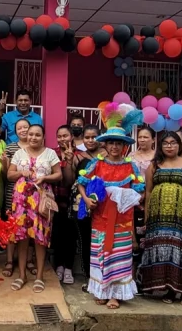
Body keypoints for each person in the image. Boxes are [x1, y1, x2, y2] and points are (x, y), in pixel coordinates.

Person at [76, 120, 144, 310]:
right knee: (100, 255)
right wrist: (87, 200)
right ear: (105, 144)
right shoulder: (96, 164)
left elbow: (140, 189)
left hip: (123, 220)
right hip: (100, 218)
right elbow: (81, 182)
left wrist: (130, 198)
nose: (115, 146)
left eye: (119, 143)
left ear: (124, 146)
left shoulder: (131, 167)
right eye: (111, 142)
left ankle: (115, 294)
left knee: (119, 256)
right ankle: (101, 291)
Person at [138, 130, 182, 306]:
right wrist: (147, 215)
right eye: (165, 143)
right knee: (164, 251)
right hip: (159, 218)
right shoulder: (155, 165)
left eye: (173, 142)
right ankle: (170, 289)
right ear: (160, 145)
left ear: (179, 145)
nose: (169, 146)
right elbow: (149, 191)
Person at [7, 124, 62, 293]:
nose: (33, 137)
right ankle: (22, 275)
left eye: (37, 135)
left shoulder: (50, 153)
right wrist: (21, 173)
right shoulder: (18, 153)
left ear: (43, 136)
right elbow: (9, 174)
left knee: (40, 238)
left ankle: (39, 276)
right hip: (21, 200)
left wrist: (45, 177)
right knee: (22, 238)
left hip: (41, 200)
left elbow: (58, 175)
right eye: (31, 134)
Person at [73, 124, 105, 291]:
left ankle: (104, 278)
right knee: (86, 241)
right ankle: (89, 278)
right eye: (87, 137)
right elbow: (73, 180)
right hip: (83, 204)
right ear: (82, 139)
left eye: (94, 137)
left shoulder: (107, 156)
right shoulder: (78, 158)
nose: (91, 140)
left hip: (104, 205)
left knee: (102, 242)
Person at [1, 118, 30, 278]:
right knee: (12, 226)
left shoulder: (36, 147)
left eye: (26, 127)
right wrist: (5, 163)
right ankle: (10, 261)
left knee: (30, 225)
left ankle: (29, 260)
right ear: (15, 131)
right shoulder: (11, 147)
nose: (23, 130)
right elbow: (7, 174)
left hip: (32, 193)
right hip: (13, 191)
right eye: (20, 128)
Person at [52, 125, 80, 285]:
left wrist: (69, 162)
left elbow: (70, 182)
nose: (62, 139)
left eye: (65, 136)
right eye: (59, 136)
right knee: (57, 235)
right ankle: (59, 266)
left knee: (70, 235)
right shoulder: (52, 153)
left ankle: (68, 268)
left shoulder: (78, 155)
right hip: (55, 200)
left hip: (72, 201)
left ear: (71, 137)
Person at [130, 126, 155, 262]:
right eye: (140, 137)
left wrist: (147, 192)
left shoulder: (158, 156)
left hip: (153, 197)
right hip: (134, 199)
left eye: (146, 137)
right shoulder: (131, 156)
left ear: (153, 140)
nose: (142, 140)